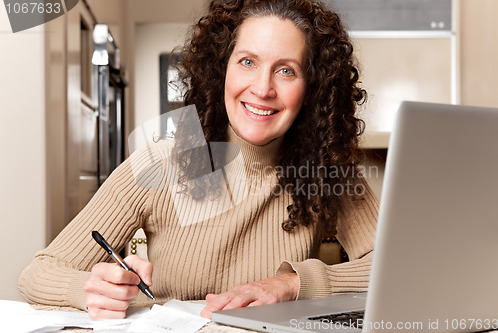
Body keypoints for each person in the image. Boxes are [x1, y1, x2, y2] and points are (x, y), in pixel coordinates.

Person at [18, 0, 378, 321]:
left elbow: (400, 267)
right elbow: (38, 274)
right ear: (222, 70)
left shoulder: (328, 170)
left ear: (311, 88)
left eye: (286, 70)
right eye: (248, 62)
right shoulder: (160, 163)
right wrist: (91, 290)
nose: (263, 88)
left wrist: (294, 283)